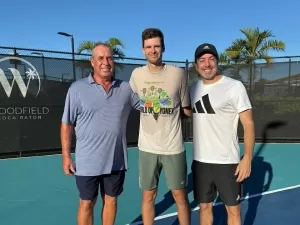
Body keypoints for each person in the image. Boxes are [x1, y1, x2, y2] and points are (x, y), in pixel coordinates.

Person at [60, 43, 140, 225]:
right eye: (101, 58)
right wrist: (66, 156)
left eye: (109, 58)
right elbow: (67, 124)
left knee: (111, 201)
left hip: (116, 161)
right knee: (87, 204)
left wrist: (169, 101)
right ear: (92, 62)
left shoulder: (125, 88)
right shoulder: (77, 89)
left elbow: (147, 106)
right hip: (88, 162)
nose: (106, 62)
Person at [129, 28, 192, 225]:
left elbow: (187, 110)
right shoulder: (136, 75)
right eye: (148, 47)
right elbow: (127, 102)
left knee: (180, 197)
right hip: (147, 148)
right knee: (148, 197)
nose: (153, 50)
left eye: (156, 46)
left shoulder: (177, 74)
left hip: (173, 148)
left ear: (163, 47)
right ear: (143, 50)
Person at [189, 43, 255, 225]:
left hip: (227, 162)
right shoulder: (193, 89)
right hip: (201, 162)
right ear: (196, 66)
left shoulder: (234, 86)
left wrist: (247, 157)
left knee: (233, 212)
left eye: (211, 59)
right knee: (204, 208)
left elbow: (248, 123)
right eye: (202, 60)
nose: (207, 64)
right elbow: (187, 112)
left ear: (217, 63)